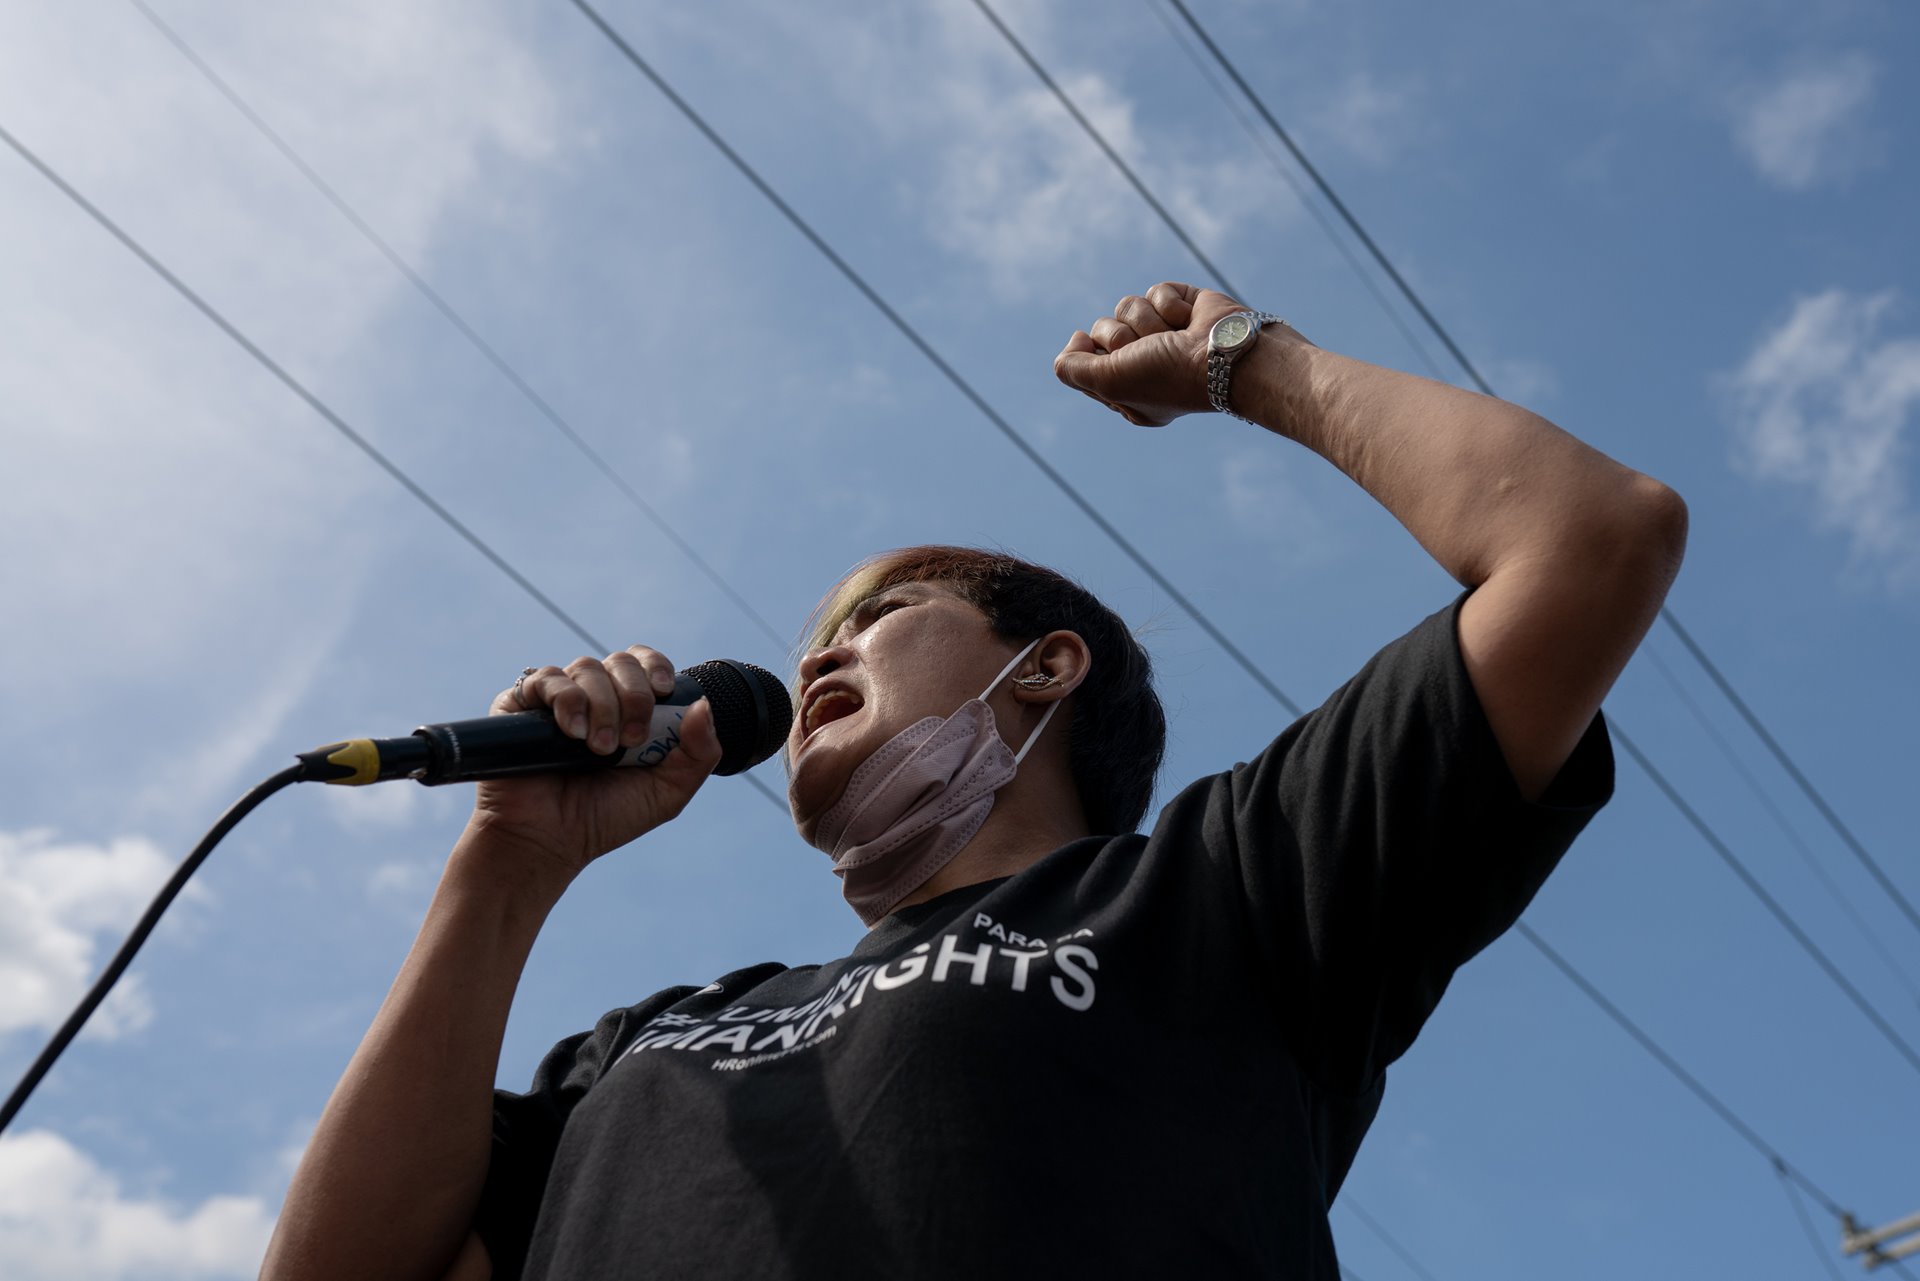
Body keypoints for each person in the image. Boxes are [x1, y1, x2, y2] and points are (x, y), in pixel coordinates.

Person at [260, 283, 1686, 1280]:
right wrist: (504, 863)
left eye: (876, 616)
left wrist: (1243, 360)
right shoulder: (649, 1039)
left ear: (1048, 666)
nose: (816, 657)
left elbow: (1590, 535)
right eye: (812, 640)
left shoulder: (1223, 896)